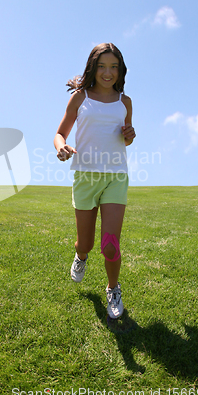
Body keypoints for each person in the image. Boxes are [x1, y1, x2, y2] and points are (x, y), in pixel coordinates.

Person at [54, 43, 136, 319]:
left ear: (120, 70)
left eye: (113, 67)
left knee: (110, 243)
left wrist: (130, 134)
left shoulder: (125, 102)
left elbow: (126, 138)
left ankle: (113, 288)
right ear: (93, 67)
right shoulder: (80, 98)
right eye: (102, 66)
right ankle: (81, 257)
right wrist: (61, 146)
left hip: (115, 176)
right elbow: (60, 133)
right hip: (85, 176)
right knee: (86, 243)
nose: (108, 72)